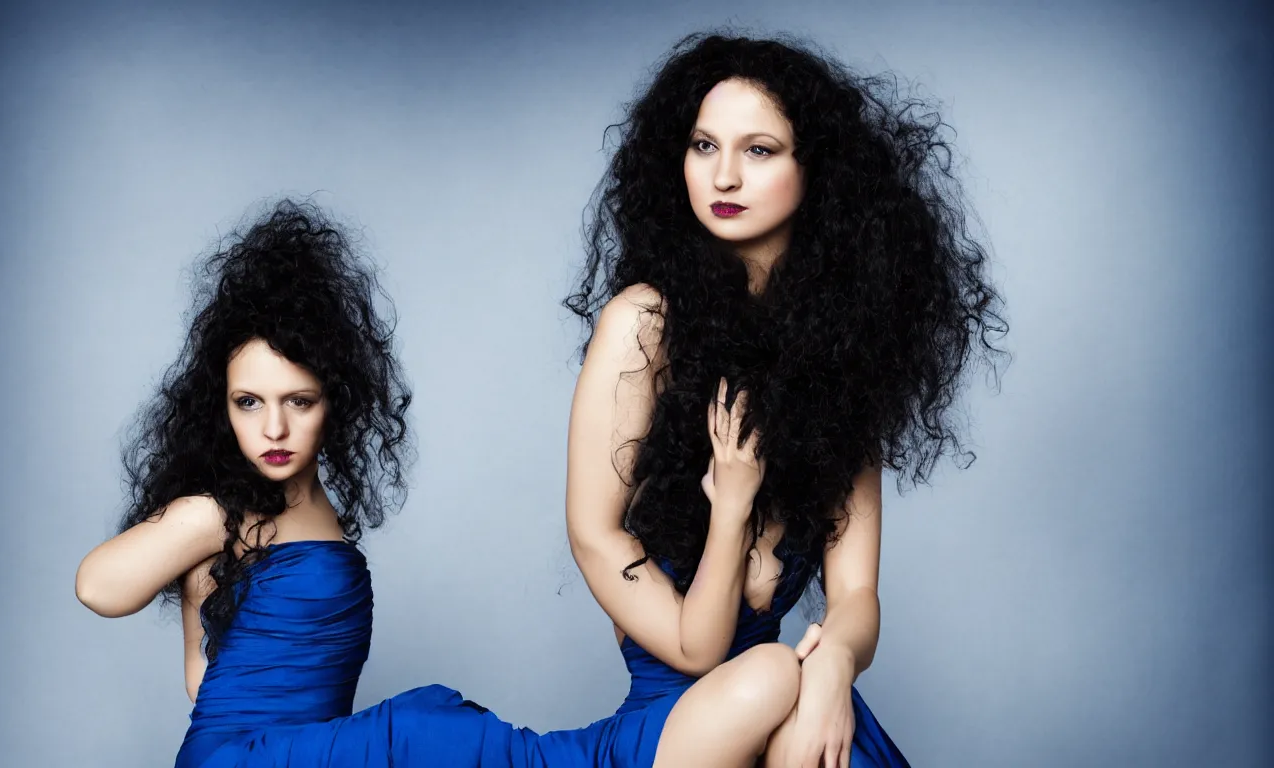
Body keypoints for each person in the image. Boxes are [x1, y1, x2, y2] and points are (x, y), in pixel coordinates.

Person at [371, 31, 1006, 768]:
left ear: (817, 172)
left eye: (758, 150)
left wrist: (833, 667)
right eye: (704, 147)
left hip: (783, 701)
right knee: (779, 685)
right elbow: (596, 537)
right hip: (681, 726)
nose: (724, 176)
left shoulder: (845, 356)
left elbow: (857, 591)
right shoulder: (643, 323)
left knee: (808, 714)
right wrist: (733, 524)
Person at [75, 199, 428, 767]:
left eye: (299, 401)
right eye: (248, 403)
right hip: (239, 757)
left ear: (336, 403)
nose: (274, 428)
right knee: (432, 728)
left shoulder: (316, 513)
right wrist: (209, 524)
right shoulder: (218, 516)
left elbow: (202, 678)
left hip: (297, 755)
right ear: (221, 409)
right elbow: (97, 587)